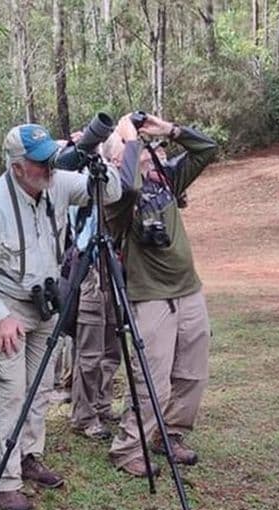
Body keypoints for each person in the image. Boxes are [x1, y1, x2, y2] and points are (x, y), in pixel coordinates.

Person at [0, 123, 121, 510]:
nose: (50, 165)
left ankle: (29, 455)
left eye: (51, 157)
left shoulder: (56, 182)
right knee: (11, 393)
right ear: (17, 166)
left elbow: (112, 193)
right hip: (8, 308)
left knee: (41, 388)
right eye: (40, 161)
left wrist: (100, 161)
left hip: (46, 304)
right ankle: (5, 479)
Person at [104, 113, 218, 478]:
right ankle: (128, 449)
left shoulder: (166, 181)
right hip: (151, 296)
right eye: (143, 151)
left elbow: (207, 149)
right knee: (151, 379)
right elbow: (129, 188)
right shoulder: (116, 198)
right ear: (119, 159)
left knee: (192, 373)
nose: (154, 154)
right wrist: (127, 139)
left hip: (189, 290)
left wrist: (168, 129)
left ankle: (170, 434)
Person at [69, 204, 122, 441]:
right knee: (90, 354)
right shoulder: (82, 193)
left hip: (114, 274)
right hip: (90, 274)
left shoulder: (117, 197)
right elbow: (81, 240)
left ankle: (102, 404)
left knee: (112, 349)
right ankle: (84, 417)